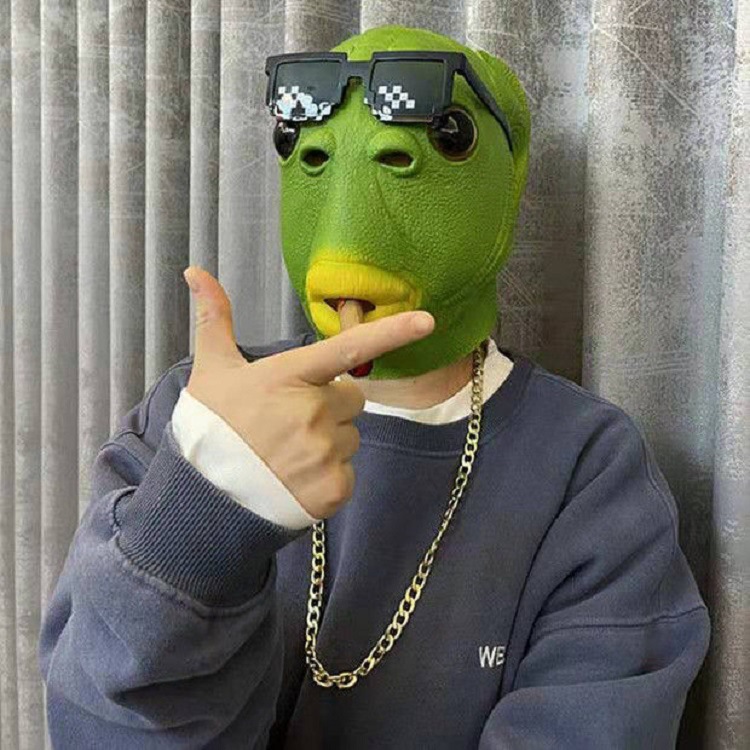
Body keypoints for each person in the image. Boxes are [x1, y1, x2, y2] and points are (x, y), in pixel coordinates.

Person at [39, 24, 710, 749]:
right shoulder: (192, 412)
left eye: (446, 135)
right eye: (301, 145)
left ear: (509, 181)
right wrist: (199, 519)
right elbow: (94, 726)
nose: (359, 171)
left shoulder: (588, 467)